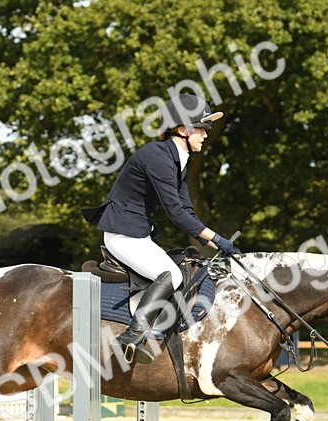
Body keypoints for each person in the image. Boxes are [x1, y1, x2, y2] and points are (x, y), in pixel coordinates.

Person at [82, 93, 240, 364]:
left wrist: (212, 241)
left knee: (177, 272)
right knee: (170, 275)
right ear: (183, 129)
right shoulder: (157, 157)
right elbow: (175, 212)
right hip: (122, 234)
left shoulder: (178, 158)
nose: (205, 135)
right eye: (201, 128)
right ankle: (131, 337)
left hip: (136, 233)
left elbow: (187, 209)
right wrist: (214, 236)